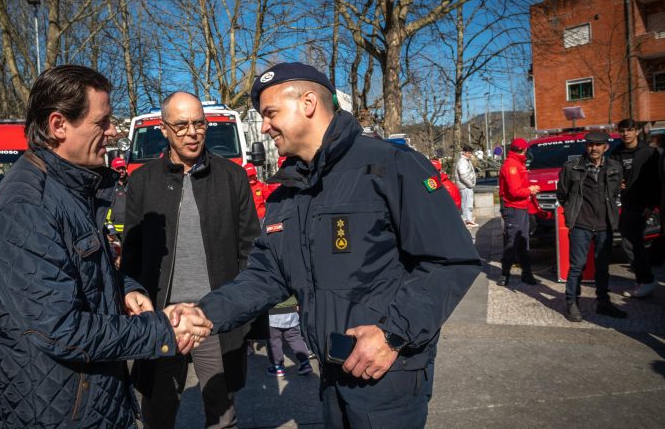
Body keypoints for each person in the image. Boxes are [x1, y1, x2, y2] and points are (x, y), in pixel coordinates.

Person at [169, 62, 481, 428]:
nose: (265, 126)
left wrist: (392, 334)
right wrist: (205, 314)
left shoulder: (389, 166)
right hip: (332, 373)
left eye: (270, 114)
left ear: (308, 103)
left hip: (389, 375)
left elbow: (450, 261)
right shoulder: (287, 193)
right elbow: (266, 275)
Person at [0, 65, 211, 428]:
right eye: (102, 122)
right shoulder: (27, 207)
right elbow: (59, 328)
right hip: (57, 411)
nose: (113, 131)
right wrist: (163, 331)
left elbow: (81, 276)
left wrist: (124, 291)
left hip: (87, 398)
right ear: (58, 125)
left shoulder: (68, 190)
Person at [120, 91, 262, 429]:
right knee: (158, 412)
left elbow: (250, 252)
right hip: (162, 316)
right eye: (181, 125)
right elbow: (132, 254)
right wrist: (133, 300)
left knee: (222, 416)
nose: (192, 132)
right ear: (164, 129)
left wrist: (248, 320)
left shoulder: (233, 177)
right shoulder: (142, 181)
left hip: (215, 314)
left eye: (199, 123)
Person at [556, 132, 628, 321]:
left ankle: (603, 302)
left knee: (603, 267)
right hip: (581, 225)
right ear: (585, 146)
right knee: (577, 266)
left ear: (606, 147)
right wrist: (573, 212)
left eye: (598, 145)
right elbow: (562, 195)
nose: (593, 148)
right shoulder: (571, 167)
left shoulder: (614, 167)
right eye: (590, 145)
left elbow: (613, 195)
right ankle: (572, 302)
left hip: (605, 225)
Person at [610, 119, 661, 298]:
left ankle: (646, 279)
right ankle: (641, 279)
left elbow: (657, 181)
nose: (626, 134)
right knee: (631, 241)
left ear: (637, 131)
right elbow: (610, 174)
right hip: (627, 202)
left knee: (630, 242)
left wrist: (651, 205)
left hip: (642, 204)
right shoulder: (616, 152)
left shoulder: (649, 152)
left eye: (629, 130)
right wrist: (617, 183)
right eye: (622, 131)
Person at [497, 138, 540, 286]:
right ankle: (505, 275)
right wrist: (531, 190)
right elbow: (515, 191)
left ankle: (526, 273)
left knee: (522, 241)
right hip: (514, 208)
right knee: (513, 242)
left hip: (520, 207)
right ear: (525, 149)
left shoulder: (516, 163)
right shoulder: (512, 166)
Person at [265, 295, 313, 377]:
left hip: (273, 311)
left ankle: (277, 367)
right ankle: (305, 363)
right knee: (295, 337)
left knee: (274, 341)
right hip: (291, 310)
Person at [455, 145, 478, 227]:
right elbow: (463, 175)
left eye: (470, 153)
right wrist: (470, 184)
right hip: (465, 186)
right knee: (467, 204)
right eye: (468, 153)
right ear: (464, 152)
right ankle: (467, 220)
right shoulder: (462, 162)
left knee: (467, 203)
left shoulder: (466, 160)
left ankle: (468, 219)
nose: (470, 154)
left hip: (465, 186)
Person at [106, 156, 128, 237]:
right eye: (118, 168)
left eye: (123, 168)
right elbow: (105, 209)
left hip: (133, 228)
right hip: (116, 232)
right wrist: (110, 230)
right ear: (112, 169)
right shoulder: (108, 187)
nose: (121, 171)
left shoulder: (133, 182)